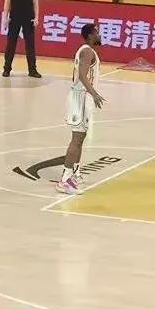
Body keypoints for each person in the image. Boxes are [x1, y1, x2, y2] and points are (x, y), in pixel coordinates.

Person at [58, 24, 107, 195]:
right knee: (76, 139)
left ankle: (73, 174)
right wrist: (95, 94)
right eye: (97, 32)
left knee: (80, 138)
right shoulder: (87, 52)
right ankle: (64, 180)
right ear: (90, 35)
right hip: (81, 98)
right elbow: (82, 75)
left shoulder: (86, 50)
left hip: (81, 97)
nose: (99, 35)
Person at [2, 0, 41, 78]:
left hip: (28, 17)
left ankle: (32, 70)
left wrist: (36, 17)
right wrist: (5, 18)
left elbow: (35, 2)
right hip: (15, 17)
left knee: (30, 44)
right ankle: (7, 69)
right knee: (11, 44)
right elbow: (7, 2)